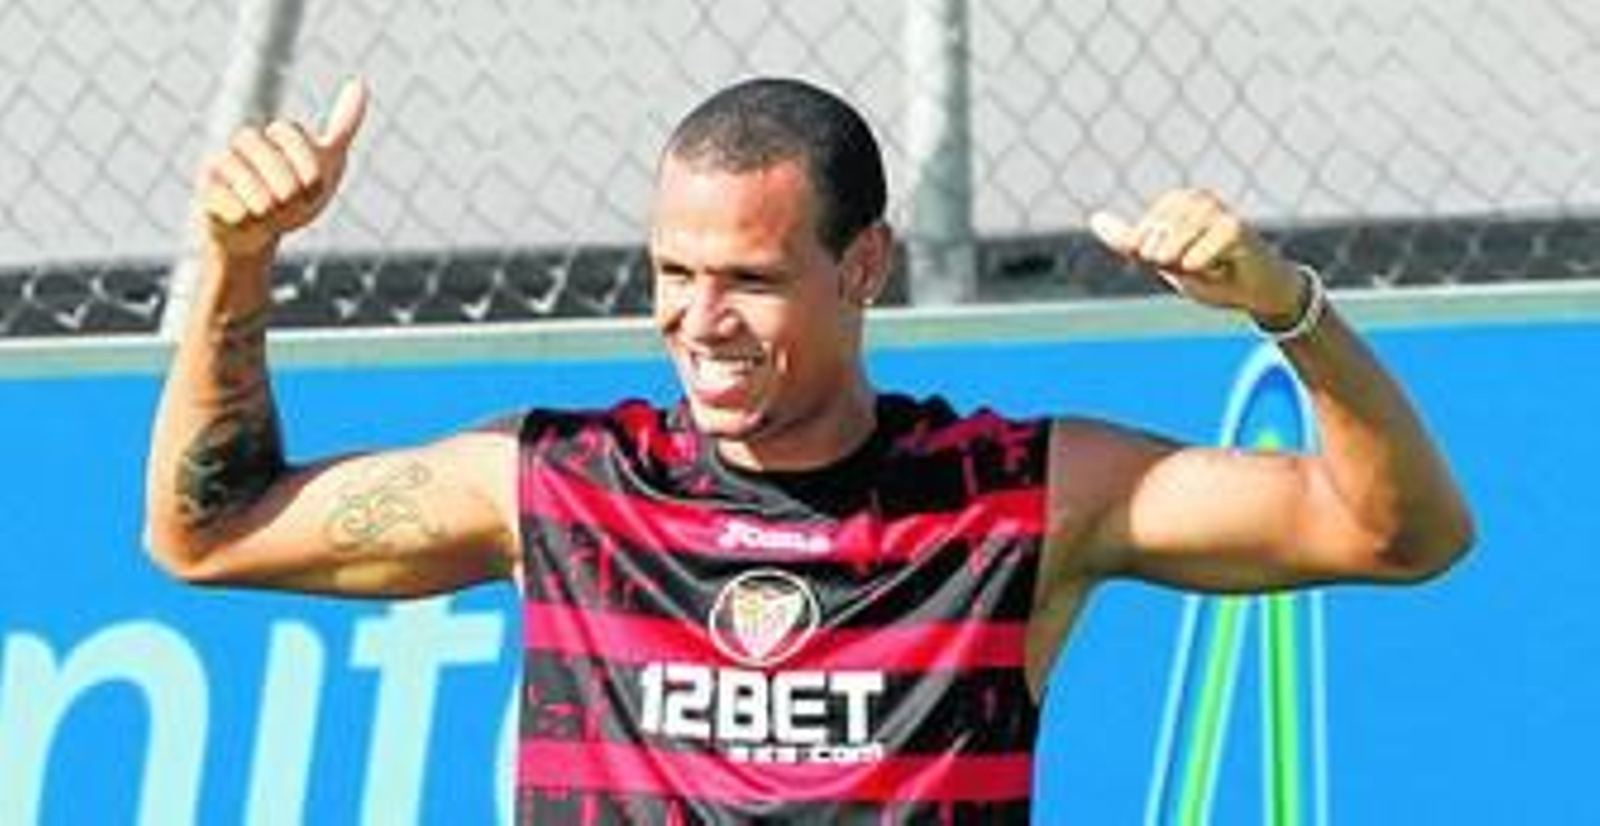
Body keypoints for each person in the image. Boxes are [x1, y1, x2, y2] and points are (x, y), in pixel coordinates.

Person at [144, 76, 1474, 823]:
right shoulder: (556, 486)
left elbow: (1396, 532)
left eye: (751, 279)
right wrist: (237, 259)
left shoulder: (1020, 496)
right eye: (674, 273)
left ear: (864, 265)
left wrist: (1286, 309)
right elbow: (208, 532)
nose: (699, 321)